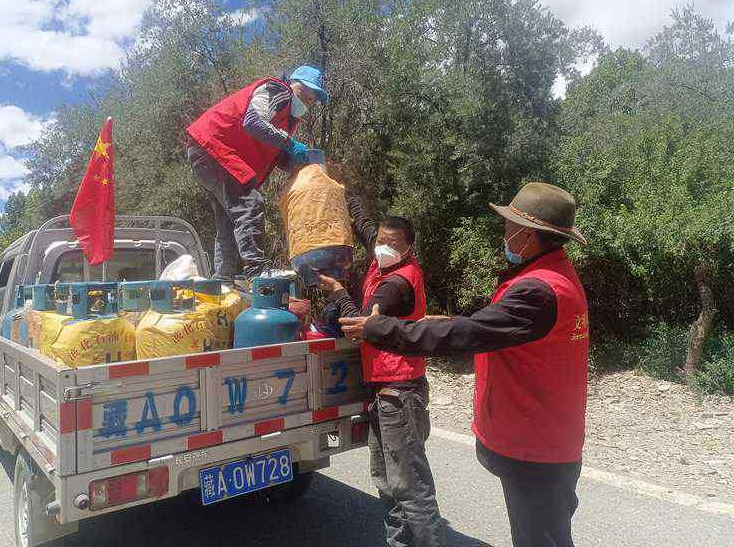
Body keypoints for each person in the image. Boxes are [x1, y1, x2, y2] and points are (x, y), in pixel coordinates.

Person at [339, 182, 590, 547]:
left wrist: (379, 327)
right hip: (545, 437)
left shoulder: (538, 290)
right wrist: (439, 322)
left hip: (536, 445)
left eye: (509, 227)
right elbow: (486, 327)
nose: (504, 234)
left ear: (527, 236)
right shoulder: (552, 278)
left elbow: (468, 334)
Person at [317, 196, 444, 547]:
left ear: (408, 248)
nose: (383, 247)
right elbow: (365, 226)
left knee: (411, 489)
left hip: (398, 392)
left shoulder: (397, 284)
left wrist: (340, 292)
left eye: (392, 244)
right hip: (384, 393)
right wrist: (345, 195)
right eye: (380, 242)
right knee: (387, 482)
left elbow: (360, 324)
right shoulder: (384, 259)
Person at [186, 66, 328, 280]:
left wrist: (297, 161)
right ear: (292, 83)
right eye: (305, 92)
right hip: (215, 147)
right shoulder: (277, 91)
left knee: (228, 219)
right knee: (249, 204)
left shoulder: (287, 119)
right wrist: (290, 144)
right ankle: (257, 270)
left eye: (312, 98)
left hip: (210, 151)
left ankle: (223, 278)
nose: (308, 100)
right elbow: (253, 122)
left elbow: (275, 153)